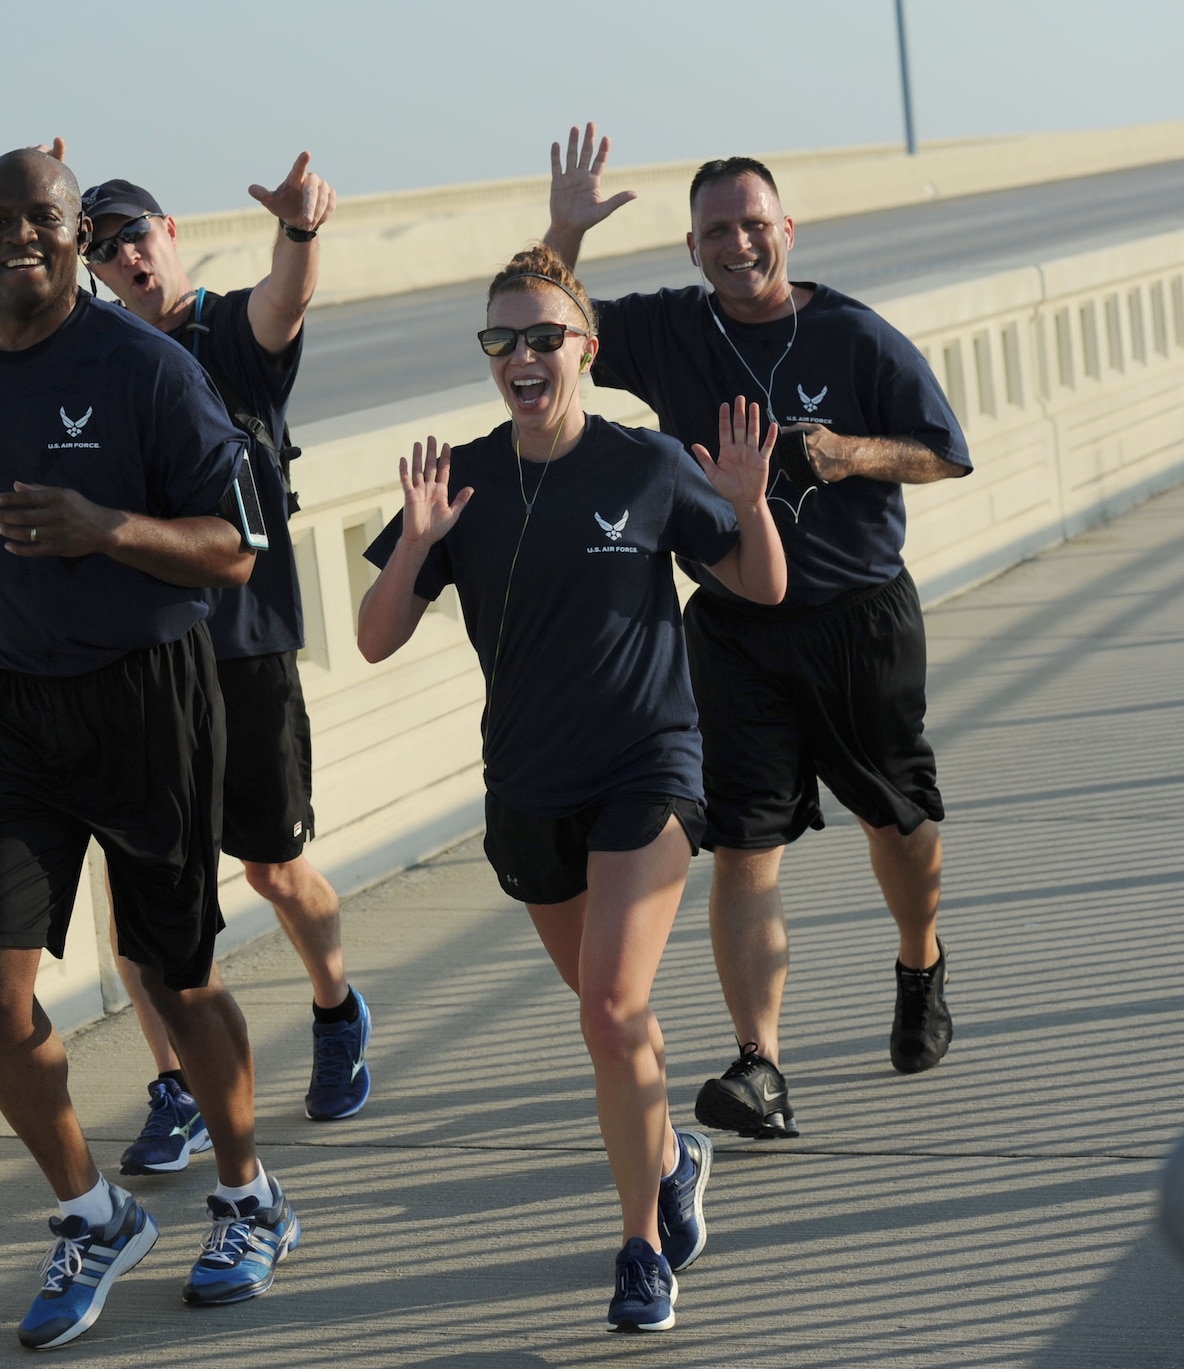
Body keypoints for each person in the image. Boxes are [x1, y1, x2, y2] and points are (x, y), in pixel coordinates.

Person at [0, 147, 299, 1350]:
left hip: (147, 695)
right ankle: (91, 1211)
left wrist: (99, 528)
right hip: (12, 705)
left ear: (77, 238)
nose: (21, 237)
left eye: (44, 218)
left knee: (179, 978)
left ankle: (247, 1195)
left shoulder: (145, 367)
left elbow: (233, 547)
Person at [356, 244, 786, 1330]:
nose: (522, 355)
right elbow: (372, 639)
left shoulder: (641, 464)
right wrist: (414, 545)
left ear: (584, 350)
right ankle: (672, 1155)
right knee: (614, 1026)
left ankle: (640, 1247)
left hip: (649, 765)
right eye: (501, 339)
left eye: (544, 336)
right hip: (529, 786)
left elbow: (761, 583)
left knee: (608, 1005)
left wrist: (750, 504)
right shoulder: (455, 476)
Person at [541, 125, 971, 1140]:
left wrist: (851, 452)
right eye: (714, 231)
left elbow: (943, 454)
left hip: (857, 618)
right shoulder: (666, 331)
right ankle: (759, 1064)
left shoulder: (854, 336)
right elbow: (547, 326)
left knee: (898, 827)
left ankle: (919, 964)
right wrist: (564, 225)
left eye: (751, 223)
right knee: (741, 847)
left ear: (786, 228)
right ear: (690, 249)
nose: (736, 244)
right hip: (733, 629)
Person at [72, 153, 374, 1169]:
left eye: (134, 235)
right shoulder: (100, 358)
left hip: (245, 646)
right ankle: (175, 1086)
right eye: (101, 249)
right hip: (144, 655)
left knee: (276, 869)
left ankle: (335, 1013)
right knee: (138, 888)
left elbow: (283, 304)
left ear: (169, 231)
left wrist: (297, 231)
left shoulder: (226, 333)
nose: (124, 257)